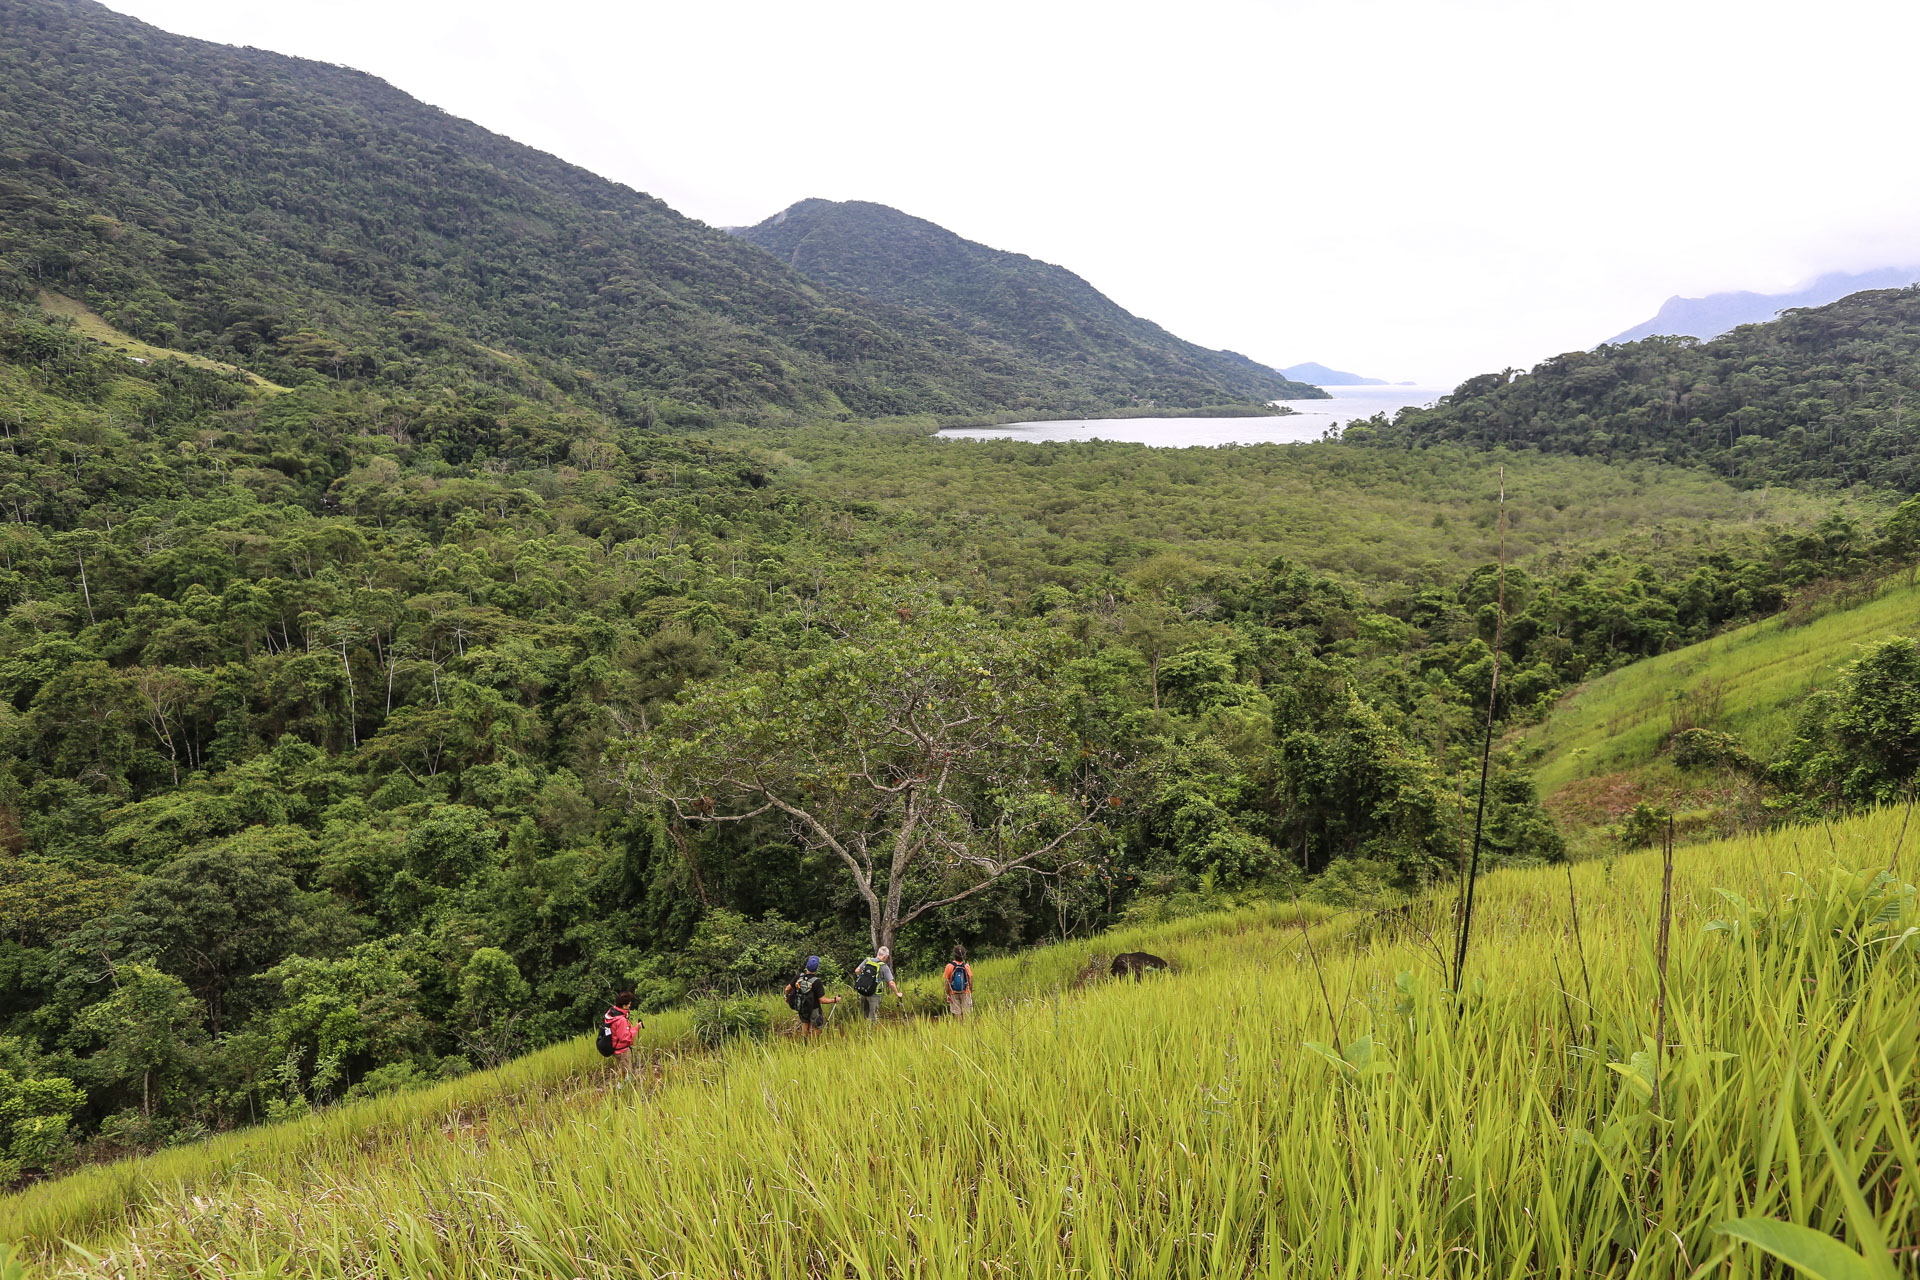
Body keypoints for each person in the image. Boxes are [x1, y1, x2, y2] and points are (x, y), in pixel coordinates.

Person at [784, 956, 839, 1037]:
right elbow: (822, 1000)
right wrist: (834, 1000)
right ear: (817, 969)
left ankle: (805, 1043)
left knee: (805, 1024)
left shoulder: (799, 976)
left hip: (802, 1007)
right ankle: (814, 1044)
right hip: (814, 1008)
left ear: (806, 966)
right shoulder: (817, 981)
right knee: (817, 1026)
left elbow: (788, 988)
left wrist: (786, 997)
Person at [852, 945, 903, 1022]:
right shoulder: (883, 966)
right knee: (872, 1017)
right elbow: (891, 983)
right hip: (874, 994)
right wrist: (897, 993)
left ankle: (862, 1029)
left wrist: (862, 979)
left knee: (863, 1015)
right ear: (885, 956)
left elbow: (856, 970)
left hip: (863, 991)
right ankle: (870, 1032)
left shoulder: (867, 960)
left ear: (878, 953)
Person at [603, 991, 640, 1066]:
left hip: (616, 1049)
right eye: (629, 1004)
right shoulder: (621, 1020)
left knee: (622, 1072)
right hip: (622, 1051)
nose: (630, 1005)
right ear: (624, 1005)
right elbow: (625, 1038)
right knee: (627, 1074)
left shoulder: (612, 1013)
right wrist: (636, 1028)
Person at [943, 945, 974, 1020]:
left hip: (953, 993)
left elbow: (947, 983)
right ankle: (967, 1028)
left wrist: (948, 994)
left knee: (957, 1013)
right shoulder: (966, 966)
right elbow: (970, 982)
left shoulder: (949, 966)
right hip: (965, 992)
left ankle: (959, 1027)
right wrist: (970, 992)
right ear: (964, 955)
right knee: (967, 1012)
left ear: (954, 955)